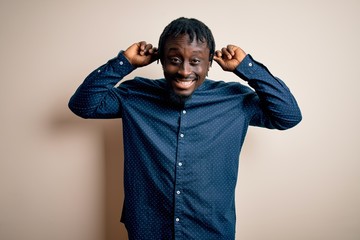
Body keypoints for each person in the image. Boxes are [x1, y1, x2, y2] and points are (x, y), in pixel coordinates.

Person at [68, 17, 302, 240]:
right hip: (148, 229)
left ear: (210, 62)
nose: (184, 70)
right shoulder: (135, 95)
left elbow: (288, 116)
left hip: (211, 231)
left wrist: (247, 68)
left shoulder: (235, 100)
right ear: (160, 59)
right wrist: (125, 63)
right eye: (175, 59)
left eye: (196, 61)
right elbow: (82, 105)